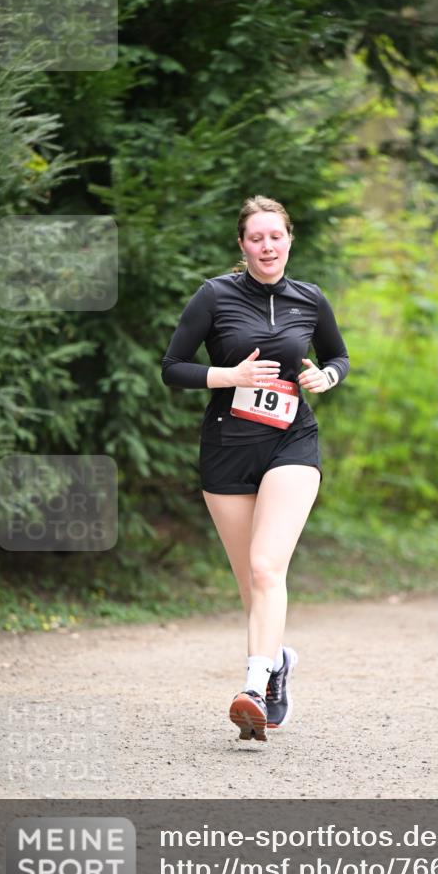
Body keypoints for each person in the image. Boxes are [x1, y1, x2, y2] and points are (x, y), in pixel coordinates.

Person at [161, 195, 349, 742]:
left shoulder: (309, 299)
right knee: (252, 584)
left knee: (268, 568)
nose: (268, 246)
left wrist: (327, 378)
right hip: (226, 449)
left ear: (290, 239)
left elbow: (338, 355)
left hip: (291, 443)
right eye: (256, 238)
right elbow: (173, 368)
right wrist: (230, 377)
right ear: (242, 246)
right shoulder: (215, 296)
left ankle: (253, 687)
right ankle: (278, 660)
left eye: (276, 236)